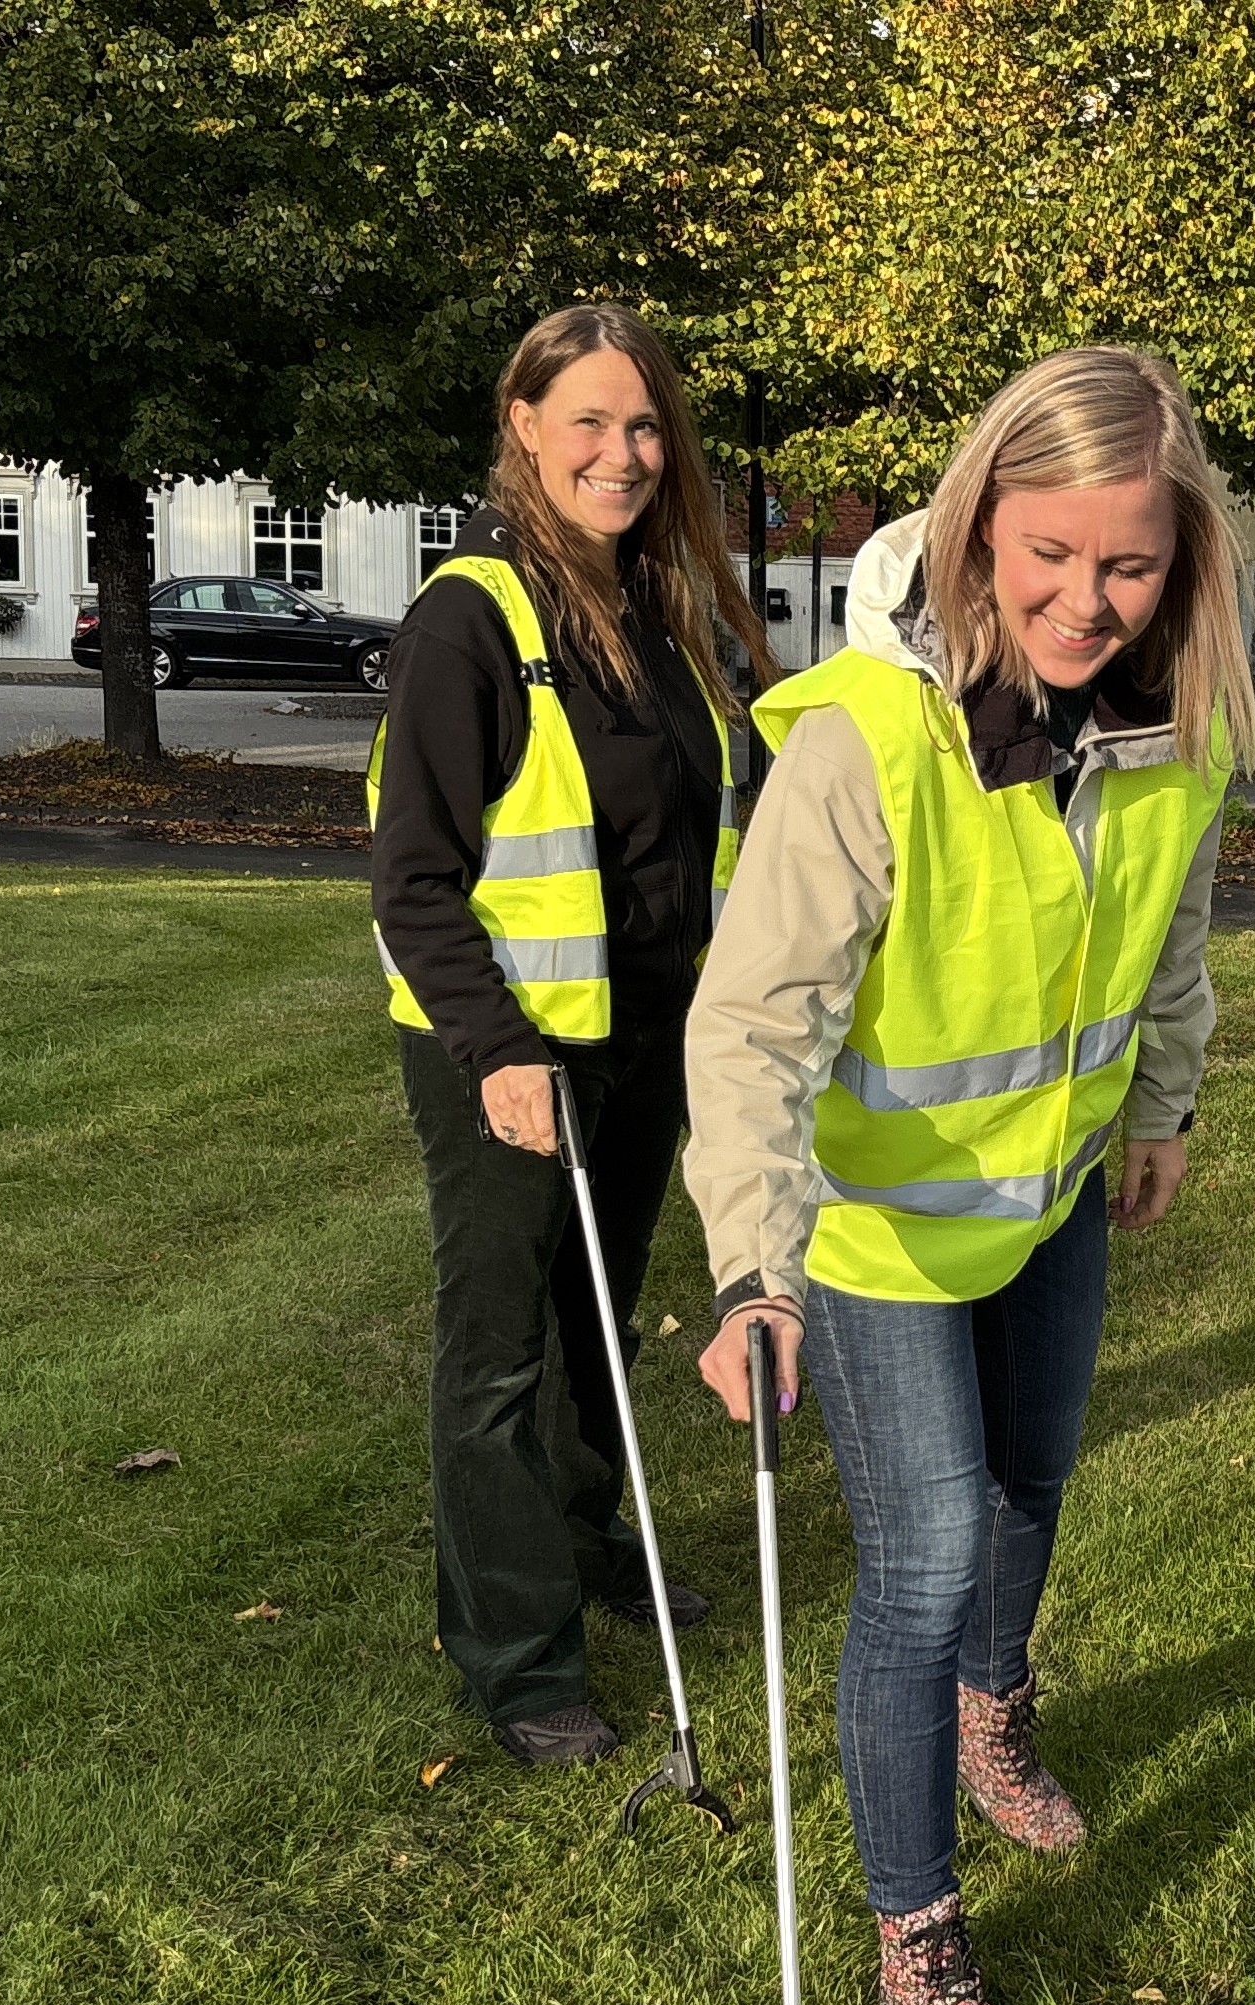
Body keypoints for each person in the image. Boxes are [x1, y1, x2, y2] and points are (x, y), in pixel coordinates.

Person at [682, 347, 1252, 2005]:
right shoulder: (868, 740)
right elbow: (753, 1022)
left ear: (1183, 563)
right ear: (974, 527)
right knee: (920, 1562)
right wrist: (748, 1263)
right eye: (1050, 553)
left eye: (1130, 565)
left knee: (1033, 1485)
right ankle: (917, 1937)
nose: (1086, 601)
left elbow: (1170, 933)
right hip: (868, 1233)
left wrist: (1158, 1101)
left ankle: (992, 1714)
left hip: (1055, 1192)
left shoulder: (1184, 731)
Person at [370, 304, 775, 1763]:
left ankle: (586, 1541)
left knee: (594, 1325)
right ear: (523, 424)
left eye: (646, 424)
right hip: (508, 1051)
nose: (623, 451)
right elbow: (410, 877)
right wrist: (494, 1049)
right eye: (591, 421)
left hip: (644, 1040)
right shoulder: (468, 619)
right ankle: (515, 1654)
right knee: (495, 1353)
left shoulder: (666, 616)